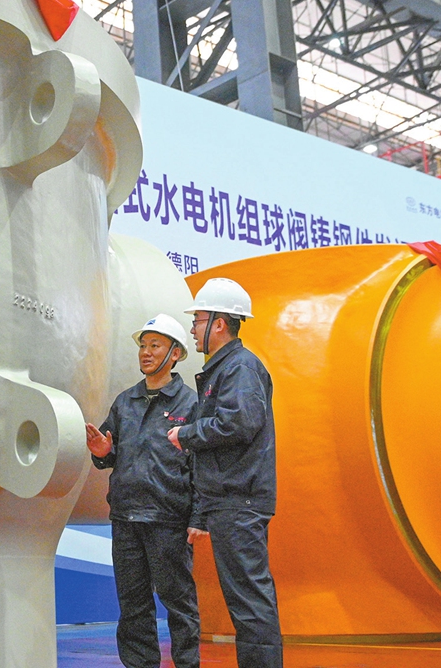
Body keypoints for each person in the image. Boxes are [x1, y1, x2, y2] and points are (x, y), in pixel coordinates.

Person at [167, 277, 282, 668]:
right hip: (231, 500)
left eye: (198, 320)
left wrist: (187, 433)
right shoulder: (226, 369)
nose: (192, 328)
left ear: (219, 323)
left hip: (239, 501)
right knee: (247, 600)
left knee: (250, 602)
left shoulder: (240, 368)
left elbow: (240, 423)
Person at [85, 314, 200, 668]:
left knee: (179, 602)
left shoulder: (191, 405)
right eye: (143, 346)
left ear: (176, 353)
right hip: (125, 519)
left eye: (155, 346)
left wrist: (198, 517)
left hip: (169, 520)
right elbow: (108, 454)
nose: (146, 353)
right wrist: (102, 452)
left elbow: (202, 469)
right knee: (133, 604)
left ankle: (187, 663)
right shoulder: (125, 402)